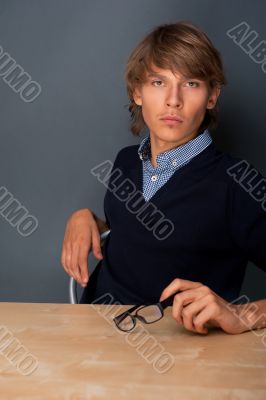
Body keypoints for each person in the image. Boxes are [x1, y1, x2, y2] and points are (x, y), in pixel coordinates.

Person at [61, 21, 266, 335]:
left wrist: (243, 315)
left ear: (212, 96)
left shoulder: (238, 184)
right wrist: (86, 218)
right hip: (94, 337)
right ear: (137, 92)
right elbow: (133, 234)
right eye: (158, 82)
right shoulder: (126, 162)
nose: (173, 100)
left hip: (179, 361)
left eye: (191, 83)